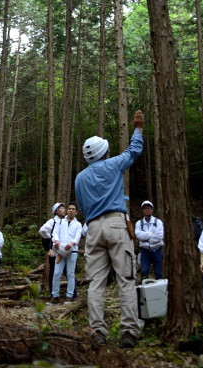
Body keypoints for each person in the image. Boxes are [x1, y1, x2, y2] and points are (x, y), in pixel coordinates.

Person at [75, 110, 144, 349]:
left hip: (93, 228)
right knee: (125, 279)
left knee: (95, 283)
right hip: (116, 224)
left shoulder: (79, 178)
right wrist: (138, 129)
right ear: (105, 153)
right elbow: (133, 152)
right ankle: (129, 332)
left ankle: (98, 333)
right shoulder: (113, 165)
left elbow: (82, 207)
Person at [47, 202, 82, 305]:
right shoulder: (61, 222)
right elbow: (54, 233)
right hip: (60, 250)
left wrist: (72, 243)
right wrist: (56, 241)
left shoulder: (78, 224)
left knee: (70, 273)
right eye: (69, 209)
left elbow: (78, 236)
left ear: (76, 212)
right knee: (57, 273)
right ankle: (55, 295)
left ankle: (69, 296)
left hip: (72, 251)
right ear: (67, 210)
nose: (71, 210)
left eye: (73, 209)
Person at [39, 203, 66, 295]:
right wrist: (51, 238)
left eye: (63, 208)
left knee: (67, 272)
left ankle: (72, 293)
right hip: (54, 251)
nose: (64, 210)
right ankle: (52, 292)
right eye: (61, 208)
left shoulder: (65, 222)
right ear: (56, 211)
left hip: (64, 251)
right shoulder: (52, 221)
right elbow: (42, 230)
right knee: (54, 271)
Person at [135, 201, 164, 281]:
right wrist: (151, 234)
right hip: (145, 251)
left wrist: (146, 237)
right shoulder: (139, 223)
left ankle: (160, 290)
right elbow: (138, 235)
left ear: (152, 210)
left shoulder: (158, 222)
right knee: (144, 272)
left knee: (158, 272)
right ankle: (144, 291)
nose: (147, 210)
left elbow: (159, 236)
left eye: (149, 208)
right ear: (142, 210)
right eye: (145, 208)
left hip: (157, 250)